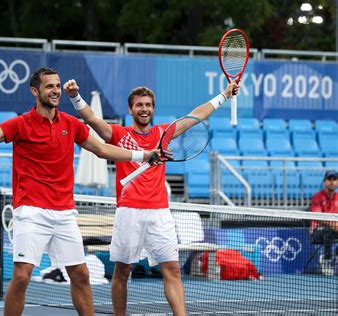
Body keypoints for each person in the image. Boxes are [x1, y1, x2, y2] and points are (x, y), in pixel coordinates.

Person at [0, 67, 158, 316]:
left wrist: (143, 155)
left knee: (80, 274)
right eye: (50, 86)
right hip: (31, 211)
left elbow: (103, 150)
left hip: (65, 212)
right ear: (35, 91)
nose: (56, 91)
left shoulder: (71, 124)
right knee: (23, 275)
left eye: (58, 86)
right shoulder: (19, 124)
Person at [64, 79, 239, 316]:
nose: (144, 109)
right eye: (139, 105)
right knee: (122, 272)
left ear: (153, 108)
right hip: (129, 212)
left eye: (148, 104)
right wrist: (75, 96)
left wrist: (225, 95)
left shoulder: (162, 134)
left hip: (160, 213)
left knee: (173, 270)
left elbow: (195, 115)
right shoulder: (118, 134)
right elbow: (93, 120)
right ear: (130, 109)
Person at [310, 170, 338, 275]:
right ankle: (326, 260)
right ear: (324, 181)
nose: (332, 182)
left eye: (334, 179)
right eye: (329, 179)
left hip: (336, 229)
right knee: (328, 231)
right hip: (318, 232)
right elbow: (318, 218)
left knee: (331, 231)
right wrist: (334, 225)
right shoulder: (317, 197)